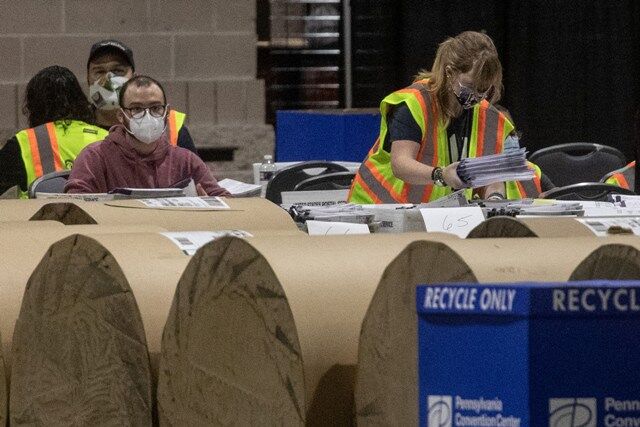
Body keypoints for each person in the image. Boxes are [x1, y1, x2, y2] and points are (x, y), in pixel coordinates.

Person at [348, 31, 540, 204]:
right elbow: (400, 164)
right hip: (378, 205)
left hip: (432, 212)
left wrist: (494, 198)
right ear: (449, 73)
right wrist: (441, 175)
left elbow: (492, 175)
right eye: (469, 86)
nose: (476, 96)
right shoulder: (415, 103)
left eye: (483, 90)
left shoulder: (488, 118)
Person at [65, 75, 229, 196]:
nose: (147, 116)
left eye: (155, 108)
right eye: (136, 109)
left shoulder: (186, 161)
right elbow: (74, 208)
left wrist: (210, 207)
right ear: (121, 116)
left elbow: (225, 200)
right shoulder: (94, 157)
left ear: (166, 112)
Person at [0, 65, 108, 198]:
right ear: (80, 100)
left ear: (34, 106)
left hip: (42, 212)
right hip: (98, 212)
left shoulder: (25, 142)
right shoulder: (107, 138)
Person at [86, 39, 198, 154]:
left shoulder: (168, 124)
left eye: (118, 70)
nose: (108, 79)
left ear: (134, 78)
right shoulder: (75, 125)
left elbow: (191, 165)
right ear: (88, 79)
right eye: (99, 71)